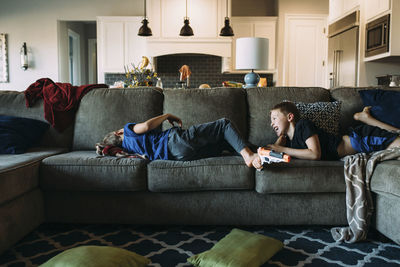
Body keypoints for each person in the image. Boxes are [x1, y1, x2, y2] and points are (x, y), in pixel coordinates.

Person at [252, 101, 400, 169]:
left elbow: (314, 154)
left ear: (290, 117)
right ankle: (365, 118)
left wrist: (281, 149)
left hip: (360, 139)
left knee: (397, 139)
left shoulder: (303, 125)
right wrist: (279, 143)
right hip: (359, 143)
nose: (272, 124)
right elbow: (275, 151)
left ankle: (365, 118)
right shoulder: (290, 141)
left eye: (274, 118)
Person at [102, 113, 258, 167]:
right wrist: (167, 116)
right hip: (175, 141)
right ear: (118, 132)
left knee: (224, 143)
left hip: (178, 156)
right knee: (224, 124)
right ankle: (249, 156)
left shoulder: (129, 150)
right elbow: (147, 126)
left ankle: (260, 153)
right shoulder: (128, 131)